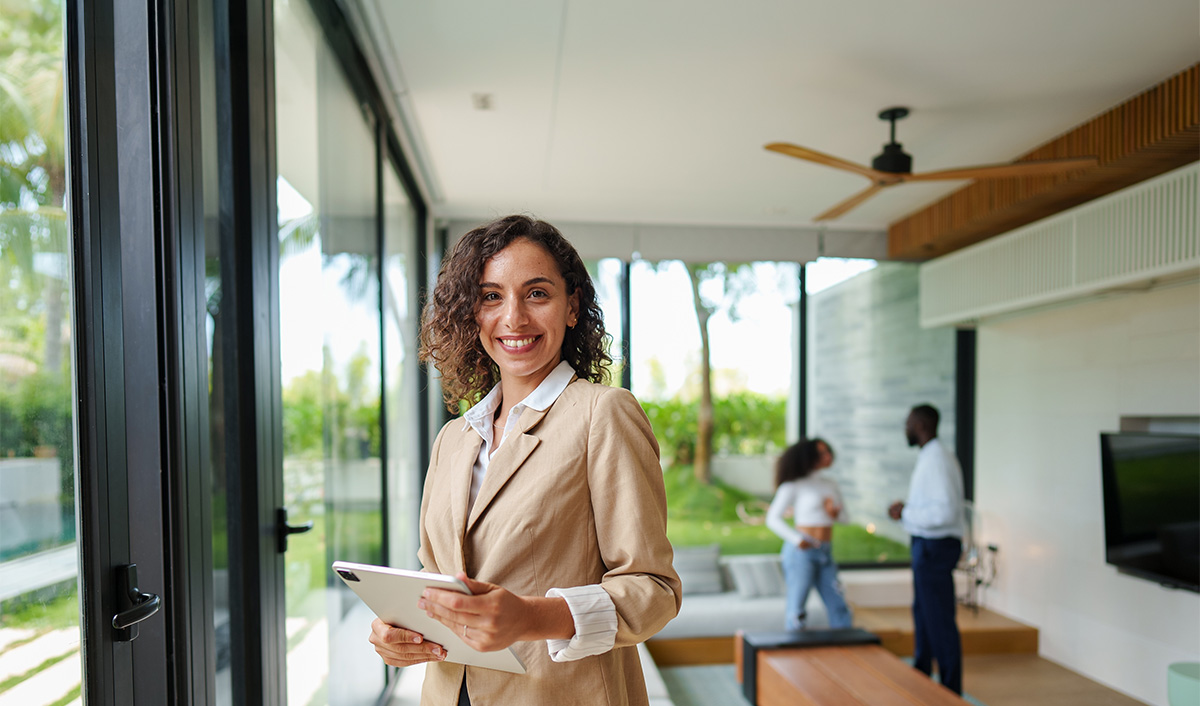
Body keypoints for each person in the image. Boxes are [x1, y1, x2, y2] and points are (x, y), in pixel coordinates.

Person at [367, 215, 681, 706]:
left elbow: (654, 589)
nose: (513, 318)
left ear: (572, 306)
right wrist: (401, 631)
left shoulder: (603, 414)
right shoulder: (453, 438)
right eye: (491, 296)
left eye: (537, 293)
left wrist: (534, 618)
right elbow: (439, 575)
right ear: (470, 314)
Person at [888, 403, 966, 695]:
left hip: (935, 547)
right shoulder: (931, 457)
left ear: (921, 425)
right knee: (923, 614)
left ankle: (950, 690)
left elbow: (944, 513)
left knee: (938, 619)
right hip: (927, 546)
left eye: (908, 423)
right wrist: (906, 511)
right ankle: (921, 675)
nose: (905, 429)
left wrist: (905, 514)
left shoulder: (937, 460)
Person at [765, 438, 853, 631]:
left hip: (825, 551)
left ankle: (847, 649)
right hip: (801, 553)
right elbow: (772, 519)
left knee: (838, 604)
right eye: (822, 453)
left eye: (828, 451)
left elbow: (846, 519)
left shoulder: (830, 484)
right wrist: (797, 539)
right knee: (797, 609)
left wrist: (834, 514)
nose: (828, 456)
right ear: (809, 456)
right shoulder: (794, 485)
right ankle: (794, 654)